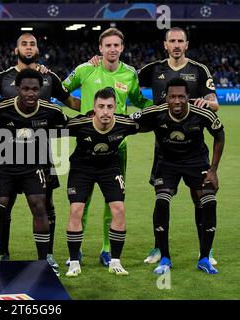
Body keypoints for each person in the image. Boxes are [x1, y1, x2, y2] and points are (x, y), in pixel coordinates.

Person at [0, 32, 80, 272]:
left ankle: (47, 256)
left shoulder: (49, 77)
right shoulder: (2, 78)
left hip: (41, 156)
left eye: (32, 43)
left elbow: (71, 105)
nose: (28, 47)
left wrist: (99, 101)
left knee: (45, 204)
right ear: (16, 49)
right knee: (3, 205)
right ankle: (1, 253)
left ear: (38, 48)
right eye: (23, 43)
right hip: (5, 156)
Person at [62, 27, 153, 267]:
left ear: (122, 48)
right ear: (100, 48)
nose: (112, 49)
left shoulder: (130, 74)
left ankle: (106, 249)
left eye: (116, 45)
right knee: (83, 200)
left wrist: (162, 106)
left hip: (117, 147)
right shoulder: (85, 69)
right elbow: (61, 91)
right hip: (87, 145)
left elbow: (140, 101)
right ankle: (77, 250)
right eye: (108, 45)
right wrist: (80, 109)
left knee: (112, 201)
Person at [137, 27, 220, 265]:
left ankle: (206, 250)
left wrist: (208, 102)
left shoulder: (199, 70)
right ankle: (157, 248)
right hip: (163, 146)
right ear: (165, 45)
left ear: (186, 44)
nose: (175, 44)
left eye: (180, 41)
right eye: (171, 40)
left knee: (199, 197)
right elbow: (127, 80)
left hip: (195, 147)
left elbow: (215, 102)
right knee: (161, 198)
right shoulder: (153, 70)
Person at [132, 78, 224, 275]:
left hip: (197, 163)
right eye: (172, 96)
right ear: (166, 98)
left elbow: (219, 135)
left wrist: (213, 170)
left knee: (209, 201)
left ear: (188, 97)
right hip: (167, 164)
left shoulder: (202, 113)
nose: (177, 101)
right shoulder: (156, 112)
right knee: (162, 202)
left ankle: (205, 257)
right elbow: (128, 121)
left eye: (181, 97)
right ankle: (165, 258)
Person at [0, 68, 67, 266]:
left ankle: (44, 261)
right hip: (3, 167)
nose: (30, 93)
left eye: (35, 89)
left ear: (40, 90)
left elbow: (69, 127)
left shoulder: (52, 111)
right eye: (25, 89)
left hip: (33, 167)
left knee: (40, 206)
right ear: (17, 89)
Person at [65, 87, 144, 277]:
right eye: (101, 106)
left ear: (116, 107)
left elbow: (152, 121)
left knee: (119, 209)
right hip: (82, 168)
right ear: (94, 108)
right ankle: (74, 262)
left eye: (110, 106)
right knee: (76, 210)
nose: (106, 112)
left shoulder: (125, 124)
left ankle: (115, 261)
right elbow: (52, 129)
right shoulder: (80, 124)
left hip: (109, 168)